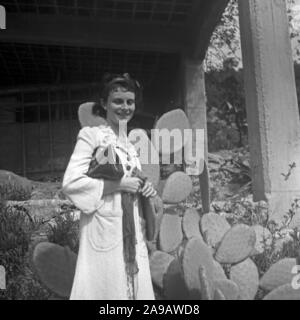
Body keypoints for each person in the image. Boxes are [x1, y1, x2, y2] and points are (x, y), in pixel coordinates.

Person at [62, 73, 156, 300]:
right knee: (105, 290)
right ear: (104, 104)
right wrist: (118, 184)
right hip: (104, 229)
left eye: (129, 102)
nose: (124, 107)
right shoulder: (92, 136)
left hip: (132, 232)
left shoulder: (131, 147)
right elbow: (71, 182)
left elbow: (133, 183)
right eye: (118, 101)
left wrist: (146, 189)